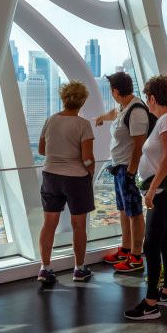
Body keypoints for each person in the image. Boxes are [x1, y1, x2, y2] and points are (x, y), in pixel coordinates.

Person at [125, 76, 167, 320]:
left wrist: (151, 190)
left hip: (162, 193)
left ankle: (150, 303)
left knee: (151, 245)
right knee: (163, 243)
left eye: (147, 98)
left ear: (152, 98)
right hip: (163, 192)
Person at [37, 82, 96, 284]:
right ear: (82, 101)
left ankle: (45, 269)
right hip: (76, 178)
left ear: (64, 98)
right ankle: (79, 269)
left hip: (50, 175)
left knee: (49, 224)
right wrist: (90, 170)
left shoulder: (51, 120)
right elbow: (87, 158)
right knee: (78, 225)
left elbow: (42, 150)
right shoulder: (83, 125)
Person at [95, 72, 148, 272]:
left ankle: (136, 256)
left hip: (127, 169)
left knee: (134, 212)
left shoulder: (136, 111)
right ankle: (126, 249)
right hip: (119, 168)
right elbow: (113, 114)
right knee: (124, 211)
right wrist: (101, 118)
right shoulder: (123, 107)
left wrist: (132, 172)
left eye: (111, 90)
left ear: (115, 91)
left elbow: (139, 144)